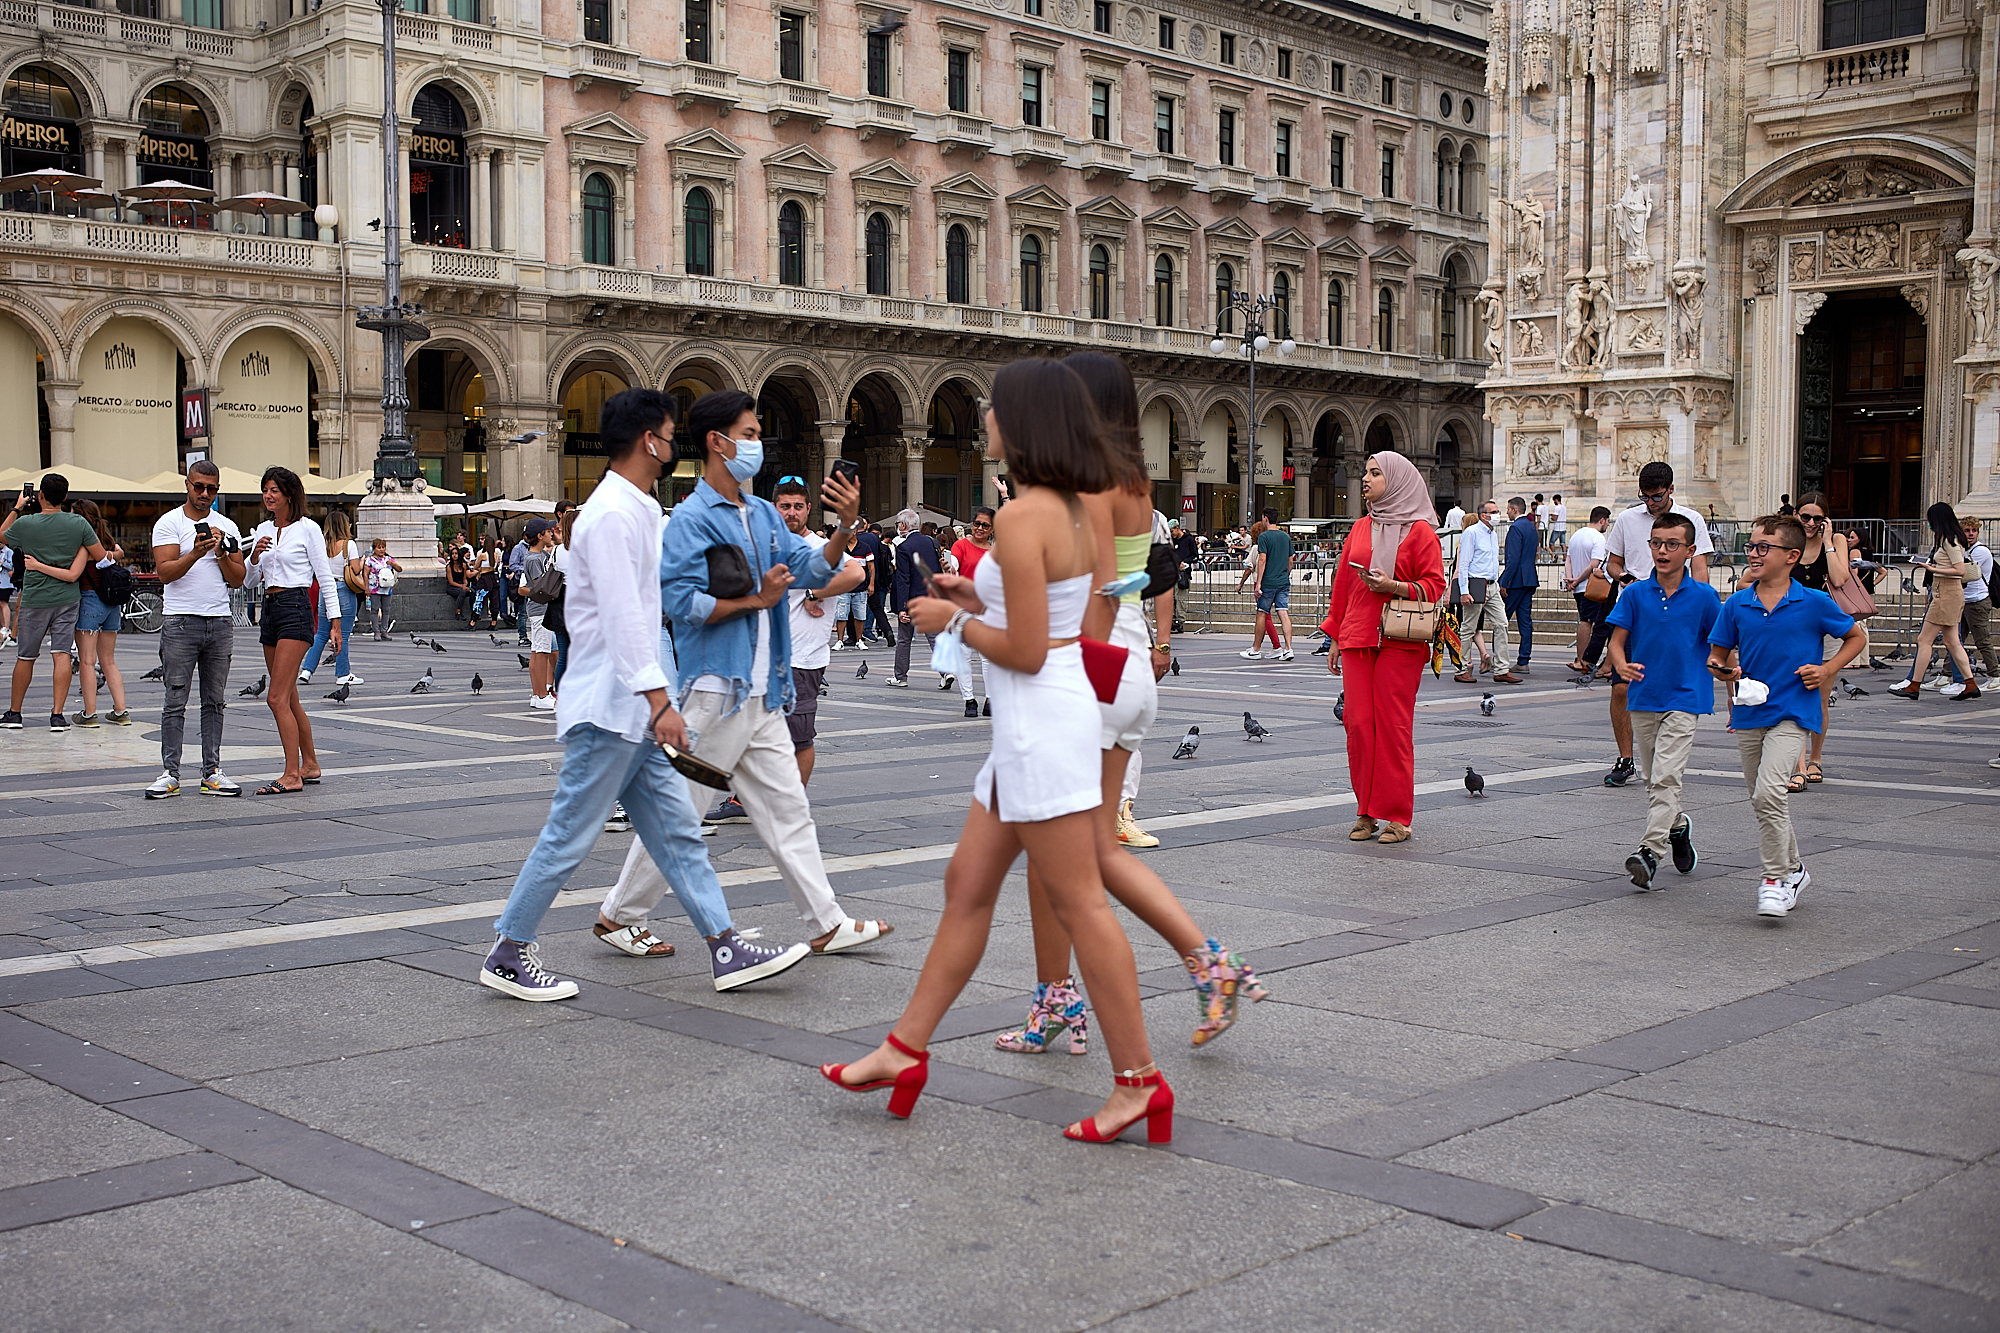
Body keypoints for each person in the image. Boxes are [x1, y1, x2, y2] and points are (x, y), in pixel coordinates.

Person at [825, 357, 1170, 1145]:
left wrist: (956, 625)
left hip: (1036, 729)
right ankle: (903, 1048)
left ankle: (1139, 1082)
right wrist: (977, 597)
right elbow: (1075, 631)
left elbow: (1020, 647)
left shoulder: (1019, 516)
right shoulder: (1079, 511)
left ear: (1022, 425)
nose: (984, 419)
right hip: (1050, 720)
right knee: (968, 882)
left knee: (1079, 901)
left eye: (993, 409)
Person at [481, 387, 811, 998]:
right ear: (645, 441)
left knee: (678, 834)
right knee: (569, 836)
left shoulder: (635, 507)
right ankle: (507, 951)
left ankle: (724, 946)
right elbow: (623, 619)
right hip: (611, 707)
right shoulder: (610, 515)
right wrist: (662, 702)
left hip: (633, 709)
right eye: (666, 433)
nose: (672, 444)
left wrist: (657, 703)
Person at [991, 350, 1264, 1055]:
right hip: (1131, 663)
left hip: (1093, 666)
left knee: (1069, 855)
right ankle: (1087, 991)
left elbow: (1079, 588)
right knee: (1082, 850)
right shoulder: (1134, 480)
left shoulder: (1083, 484)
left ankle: (1190, 965)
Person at [613, 388, 893, 956]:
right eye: (749, 434)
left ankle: (826, 922)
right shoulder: (690, 520)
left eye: (759, 432)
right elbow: (680, 602)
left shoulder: (763, 512)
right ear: (718, 443)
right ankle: (620, 913)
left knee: (788, 811)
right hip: (718, 687)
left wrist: (843, 528)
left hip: (764, 690)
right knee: (682, 813)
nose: (758, 444)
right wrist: (753, 601)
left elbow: (809, 566)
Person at [1707, 515, 1865, 918]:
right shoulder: (1737, 603)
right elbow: (1716, 655)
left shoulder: (1813, 602)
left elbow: (1856, 637)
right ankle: (1795, 869)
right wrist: (1724, 672)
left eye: (1764, 547)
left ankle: (1774, 879)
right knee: (1762, 799)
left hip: (1795, 710)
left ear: (1791, 556)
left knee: (1769, 792)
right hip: (1749, 710)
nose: (1754, 553)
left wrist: (1828, 670)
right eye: (1752, 546)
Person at [1322, 453, 1448, 844]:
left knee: (1393, 726)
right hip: (1359, 635)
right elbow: (1342, 584)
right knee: (1358, 725)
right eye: (1365, 473)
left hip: (1402, 640)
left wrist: (1394, 586)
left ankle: (1397, 816)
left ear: (1397, 481)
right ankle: (1365, 811)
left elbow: (1435, 586)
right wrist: (1335, 636)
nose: (1365, 479)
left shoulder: (1421, 532)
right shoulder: (1360, 528)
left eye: (1375, 473)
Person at [1606, 510, 1720, 890]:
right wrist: (1620, 665)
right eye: (1656, 543)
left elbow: (1721, 646)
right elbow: (1617, 641)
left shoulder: (1704, 597)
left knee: (1667, 776)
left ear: (1689, 550)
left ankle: (1649, 853)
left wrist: (1731, 674)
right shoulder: (1636, 593)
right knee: (1656, 780)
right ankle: (1678, 827)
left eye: (1672, 544)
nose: (1662, 551)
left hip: (1687, 696)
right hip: (1644, 696)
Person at [1601, 462, 1712, 786]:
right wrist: (1623, 577)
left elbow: (1701, 567)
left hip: (1680, 610)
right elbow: (1613, 562)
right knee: (1622, 686)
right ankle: (1626, 756)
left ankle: (1664, 749)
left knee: (1670, 684)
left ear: (1671, 490)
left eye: (1657, 496)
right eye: (1646, 497)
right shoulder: (1627, 519)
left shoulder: (1691, 520)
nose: (1651, 502)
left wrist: (1700, 611)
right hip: (1637, 607)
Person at [148, 462, 248, 797]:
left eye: (212, 489)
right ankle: (170, 773)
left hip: (219, 621)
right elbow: (165, 573)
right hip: (180, 621)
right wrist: (195, 552)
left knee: (214, 701)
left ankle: (212, 772)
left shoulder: (227, 526)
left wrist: (220, 554)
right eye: (199, 487)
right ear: (187, 485)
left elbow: (238, 579)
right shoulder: (169, 523)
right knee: (175, 699)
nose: (205, 494)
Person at [243, 466, 342, 795]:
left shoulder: (308, 529)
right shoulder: (262, 530)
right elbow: (249, 581)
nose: (268, 495)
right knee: (289, 697)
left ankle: (291, 774)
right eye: (265, 490)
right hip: (269, 611)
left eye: (274, 490)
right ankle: (310, 764)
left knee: (276, 698)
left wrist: (335, 622)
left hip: (296, 609)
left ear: (289, 494)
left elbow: (324, 576)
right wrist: (254, 557)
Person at [773, 476, 866, 780]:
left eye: (798, 506)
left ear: (809, 509)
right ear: (775, 508)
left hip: (802, 659)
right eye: (785, 506)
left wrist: (815, 592)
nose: (791, 512)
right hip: (765, 659)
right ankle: (745, 800)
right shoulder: (768, 546)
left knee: (799, 739)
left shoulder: (820, 547)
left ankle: (792, 810)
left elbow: (856, 574)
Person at [1, 473, 107, 731]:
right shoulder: (78, 524)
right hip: (68, 597)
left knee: (26, 656)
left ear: (40, 496)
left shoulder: (26, 523)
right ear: (66, 497)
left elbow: (2, 535)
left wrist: (17, 507)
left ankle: (15, 713)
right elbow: (101, 556)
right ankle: (57, 716)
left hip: (35, 597)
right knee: (61, 654)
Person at [1784, 494, 1857, 788]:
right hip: (1793, 626)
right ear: (1796, 516)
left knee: (1820, 700)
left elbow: (1840, 579)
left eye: (1817, 518)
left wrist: (1827, 542)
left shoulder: (1836, 540)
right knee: (1795, 693)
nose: (1811, 523)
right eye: (1805, 517)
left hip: (1826, 625)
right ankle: (1798, 764)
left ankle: (1815, 758)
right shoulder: (1789, 539)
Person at [1887, 502, 1981, 700]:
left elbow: (1960, 570)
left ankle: (1914, 685)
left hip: (1946, 595)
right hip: (1947, 594)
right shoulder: (1950, 539)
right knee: (1952, 641)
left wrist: (1933, 569)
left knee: (1925, 640)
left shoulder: (1950, 540)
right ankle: (1970, 684)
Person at [72, 499, 131, 727]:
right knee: (108, 661)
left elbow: (80, 567)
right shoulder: (107, 538)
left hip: (90, 601)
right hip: (111, 604)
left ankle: (89, 713)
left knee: (87, 661)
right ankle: (121, 710)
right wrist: (114, 554)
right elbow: (117, 553)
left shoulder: (84, 542)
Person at [1454, 499, 1518, 683]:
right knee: (1468, 628)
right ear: (1484, 515)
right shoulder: (1471, 533)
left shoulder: (1492, 534)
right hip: (1475, 585)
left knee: (1502, 623)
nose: (1498, 515)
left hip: (1492, 585)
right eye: (1494, 512)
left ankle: (1501, 668)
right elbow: (1464, 563)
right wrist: (1464, 590)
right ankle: (1461, 669)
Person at [301, 509, 363, 687]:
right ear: (345, 526)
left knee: (321, 633)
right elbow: (356, 569)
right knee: (342, 634)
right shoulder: (348, 545)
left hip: (325, 589)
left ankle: (307, 670)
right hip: (343, 588)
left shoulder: (322, 544)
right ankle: (343, 673)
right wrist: (363, 562)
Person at [888, 508, 947, 688]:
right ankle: (947, 671)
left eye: (898, 524)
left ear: (903, 525)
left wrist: (901, 607)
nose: (897, 527)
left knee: (905, 638)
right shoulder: (932, 542)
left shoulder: (904, 547)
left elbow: (903, 578)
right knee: (934, 636)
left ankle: (900, 677)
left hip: (913, 599)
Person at [947, 507, 996, 715]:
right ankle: (969, 700)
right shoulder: (961, 545)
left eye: (985, 525)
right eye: (977, 523)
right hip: (963, 607)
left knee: (989, 657)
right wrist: (949, 568)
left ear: (992, 529)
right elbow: (953, 562)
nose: (980, 528)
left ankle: (990, 700)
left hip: (988, 608)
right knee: (964, 655)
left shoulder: (995, 551)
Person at [1237, 508, 1294, 660]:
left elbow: (1262, 559)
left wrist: (1259, 583)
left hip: (1268, 581)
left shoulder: (1264, 537)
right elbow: (1290, 561)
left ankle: (1256, 649)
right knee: (1283, 612)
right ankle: (1288, 648)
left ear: (1266, 518)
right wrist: (1285, 575)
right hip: (1283, 580)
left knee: (1262, 613)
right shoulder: (1285, 536)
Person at [1563, 506, 1613, 672]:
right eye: (1607, 521)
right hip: (1590, 586)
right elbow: (1594, 564)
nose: (1607, 525)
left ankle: (1582, 658)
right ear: (1602, 520)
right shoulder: (1598, 538)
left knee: (1585, 619)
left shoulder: (1576, 534)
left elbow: (1568, 559)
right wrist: (1577, 580)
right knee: (1588, 621)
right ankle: (1583, 659)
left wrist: (1570, 579)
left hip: (1578, 587)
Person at [1499, 496, 1540, 674]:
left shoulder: (1515, 528)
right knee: (1525, 622)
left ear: (1515, 510)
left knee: (1502, 621)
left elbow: (1513, 559)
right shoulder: (1531, 527)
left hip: (1515, 581)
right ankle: (1523, 660)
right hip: (1529, 578)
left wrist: (1504, 582)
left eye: (1508, 509)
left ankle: (1499, 659)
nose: (1506, 512)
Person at [521, 518, 559, 709]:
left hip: (537, 609)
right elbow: (539, 586)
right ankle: (542, 694)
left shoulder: (535, 556)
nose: (551, 533)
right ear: (539, 535)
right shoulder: (535, 559)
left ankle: (538, 694)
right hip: (540, 609)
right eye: (548, 531)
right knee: (542, 651)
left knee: (538, 650)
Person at [1959, 517, 1998, 684]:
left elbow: (1964, 573)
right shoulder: (1964, 549)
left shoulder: (1980, 551)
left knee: (1982, 640)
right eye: (1967, 531)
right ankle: (1947, 674)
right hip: (1965, 600)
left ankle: (1995, 674)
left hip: (1977, 601)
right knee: (1956, 640)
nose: (1971, 534)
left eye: (1973, 531)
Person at [832, 512, 874, 650]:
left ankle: (859, 639)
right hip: (843, 587)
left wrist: (871, 583)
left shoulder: (865, 547)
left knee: (860, 615)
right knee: (841, 614)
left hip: (860, 587)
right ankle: (840, 640)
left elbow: (871, 567)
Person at [363, 538, 401, 638]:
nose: (381, 549)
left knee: (386, 609)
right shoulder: (369, 560)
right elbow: (365, 574)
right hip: (374, 588)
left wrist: (393, 564)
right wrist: (366, 588)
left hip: (387, 588)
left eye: (383, 547)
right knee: (375, 609)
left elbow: (400, 569)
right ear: (374, 549)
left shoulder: (388, 559)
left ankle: (384, 631)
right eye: (379, 547)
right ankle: (376, 632)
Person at [507, 527, 530, 644]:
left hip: (534, 583)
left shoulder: (535, 547)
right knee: (522, 612)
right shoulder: (518, 548)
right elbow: (512, 565)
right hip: (522, 583)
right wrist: (526, 570)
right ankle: (522, 636)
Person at [445, 532, 473, 625]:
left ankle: (474, 612)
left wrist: (465, 584)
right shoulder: (449, 566)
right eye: (452, 553)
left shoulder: (463, 565)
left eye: (456, 553)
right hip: (452, 586)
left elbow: (465, 577)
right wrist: (462, 587)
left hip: (461, 584)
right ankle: (458, 612)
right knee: (462, 592)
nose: (454, 555)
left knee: (472, 591)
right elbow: (451, 581)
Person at [0, 543, 15, 647]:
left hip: (6, 583)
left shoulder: (9, 552)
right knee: (0, 604)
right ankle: (3, 627)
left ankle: (7, 627)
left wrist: (2, 562)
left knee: (3, 603)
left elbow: (11, 566)